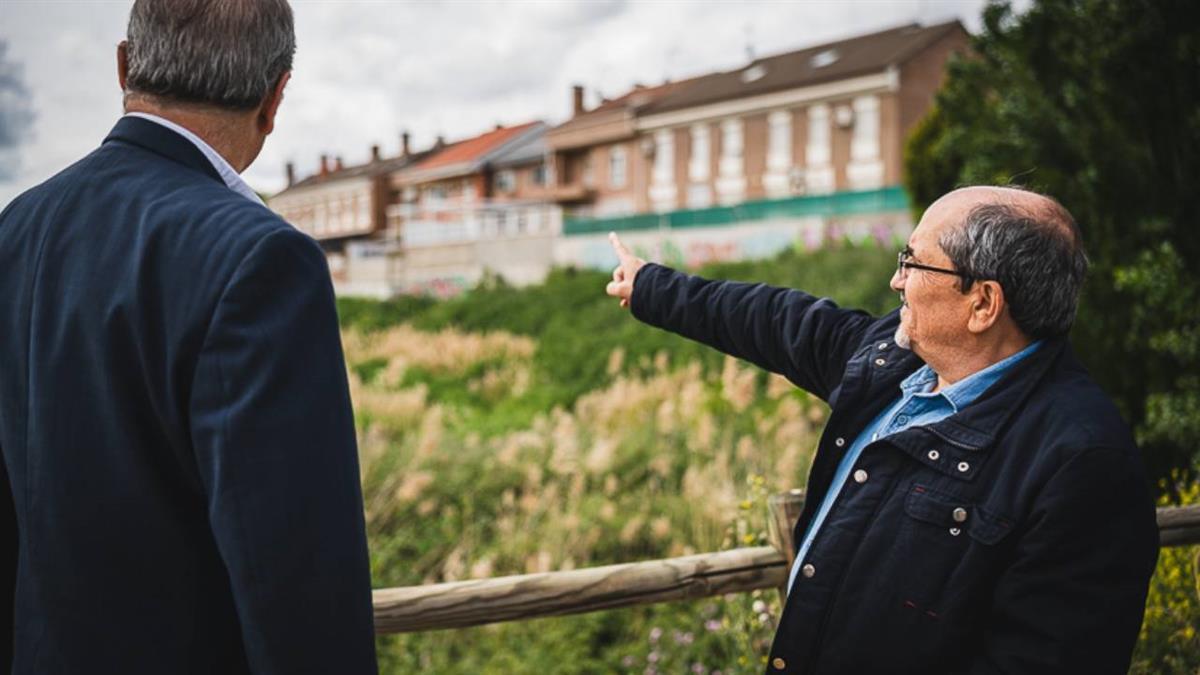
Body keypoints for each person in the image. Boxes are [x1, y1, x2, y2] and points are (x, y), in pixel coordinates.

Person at [606, 186, 1159, 674]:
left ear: (983, 303)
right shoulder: (891, 361)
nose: (897, 279)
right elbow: (774, 320)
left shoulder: (1083, 464)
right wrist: (650, 286)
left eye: (914, 263)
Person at [0, 1, 377, 672]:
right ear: (275, 97)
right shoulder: (262, 258)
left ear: (124, 67)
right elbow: (298, 584)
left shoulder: (18, 227)